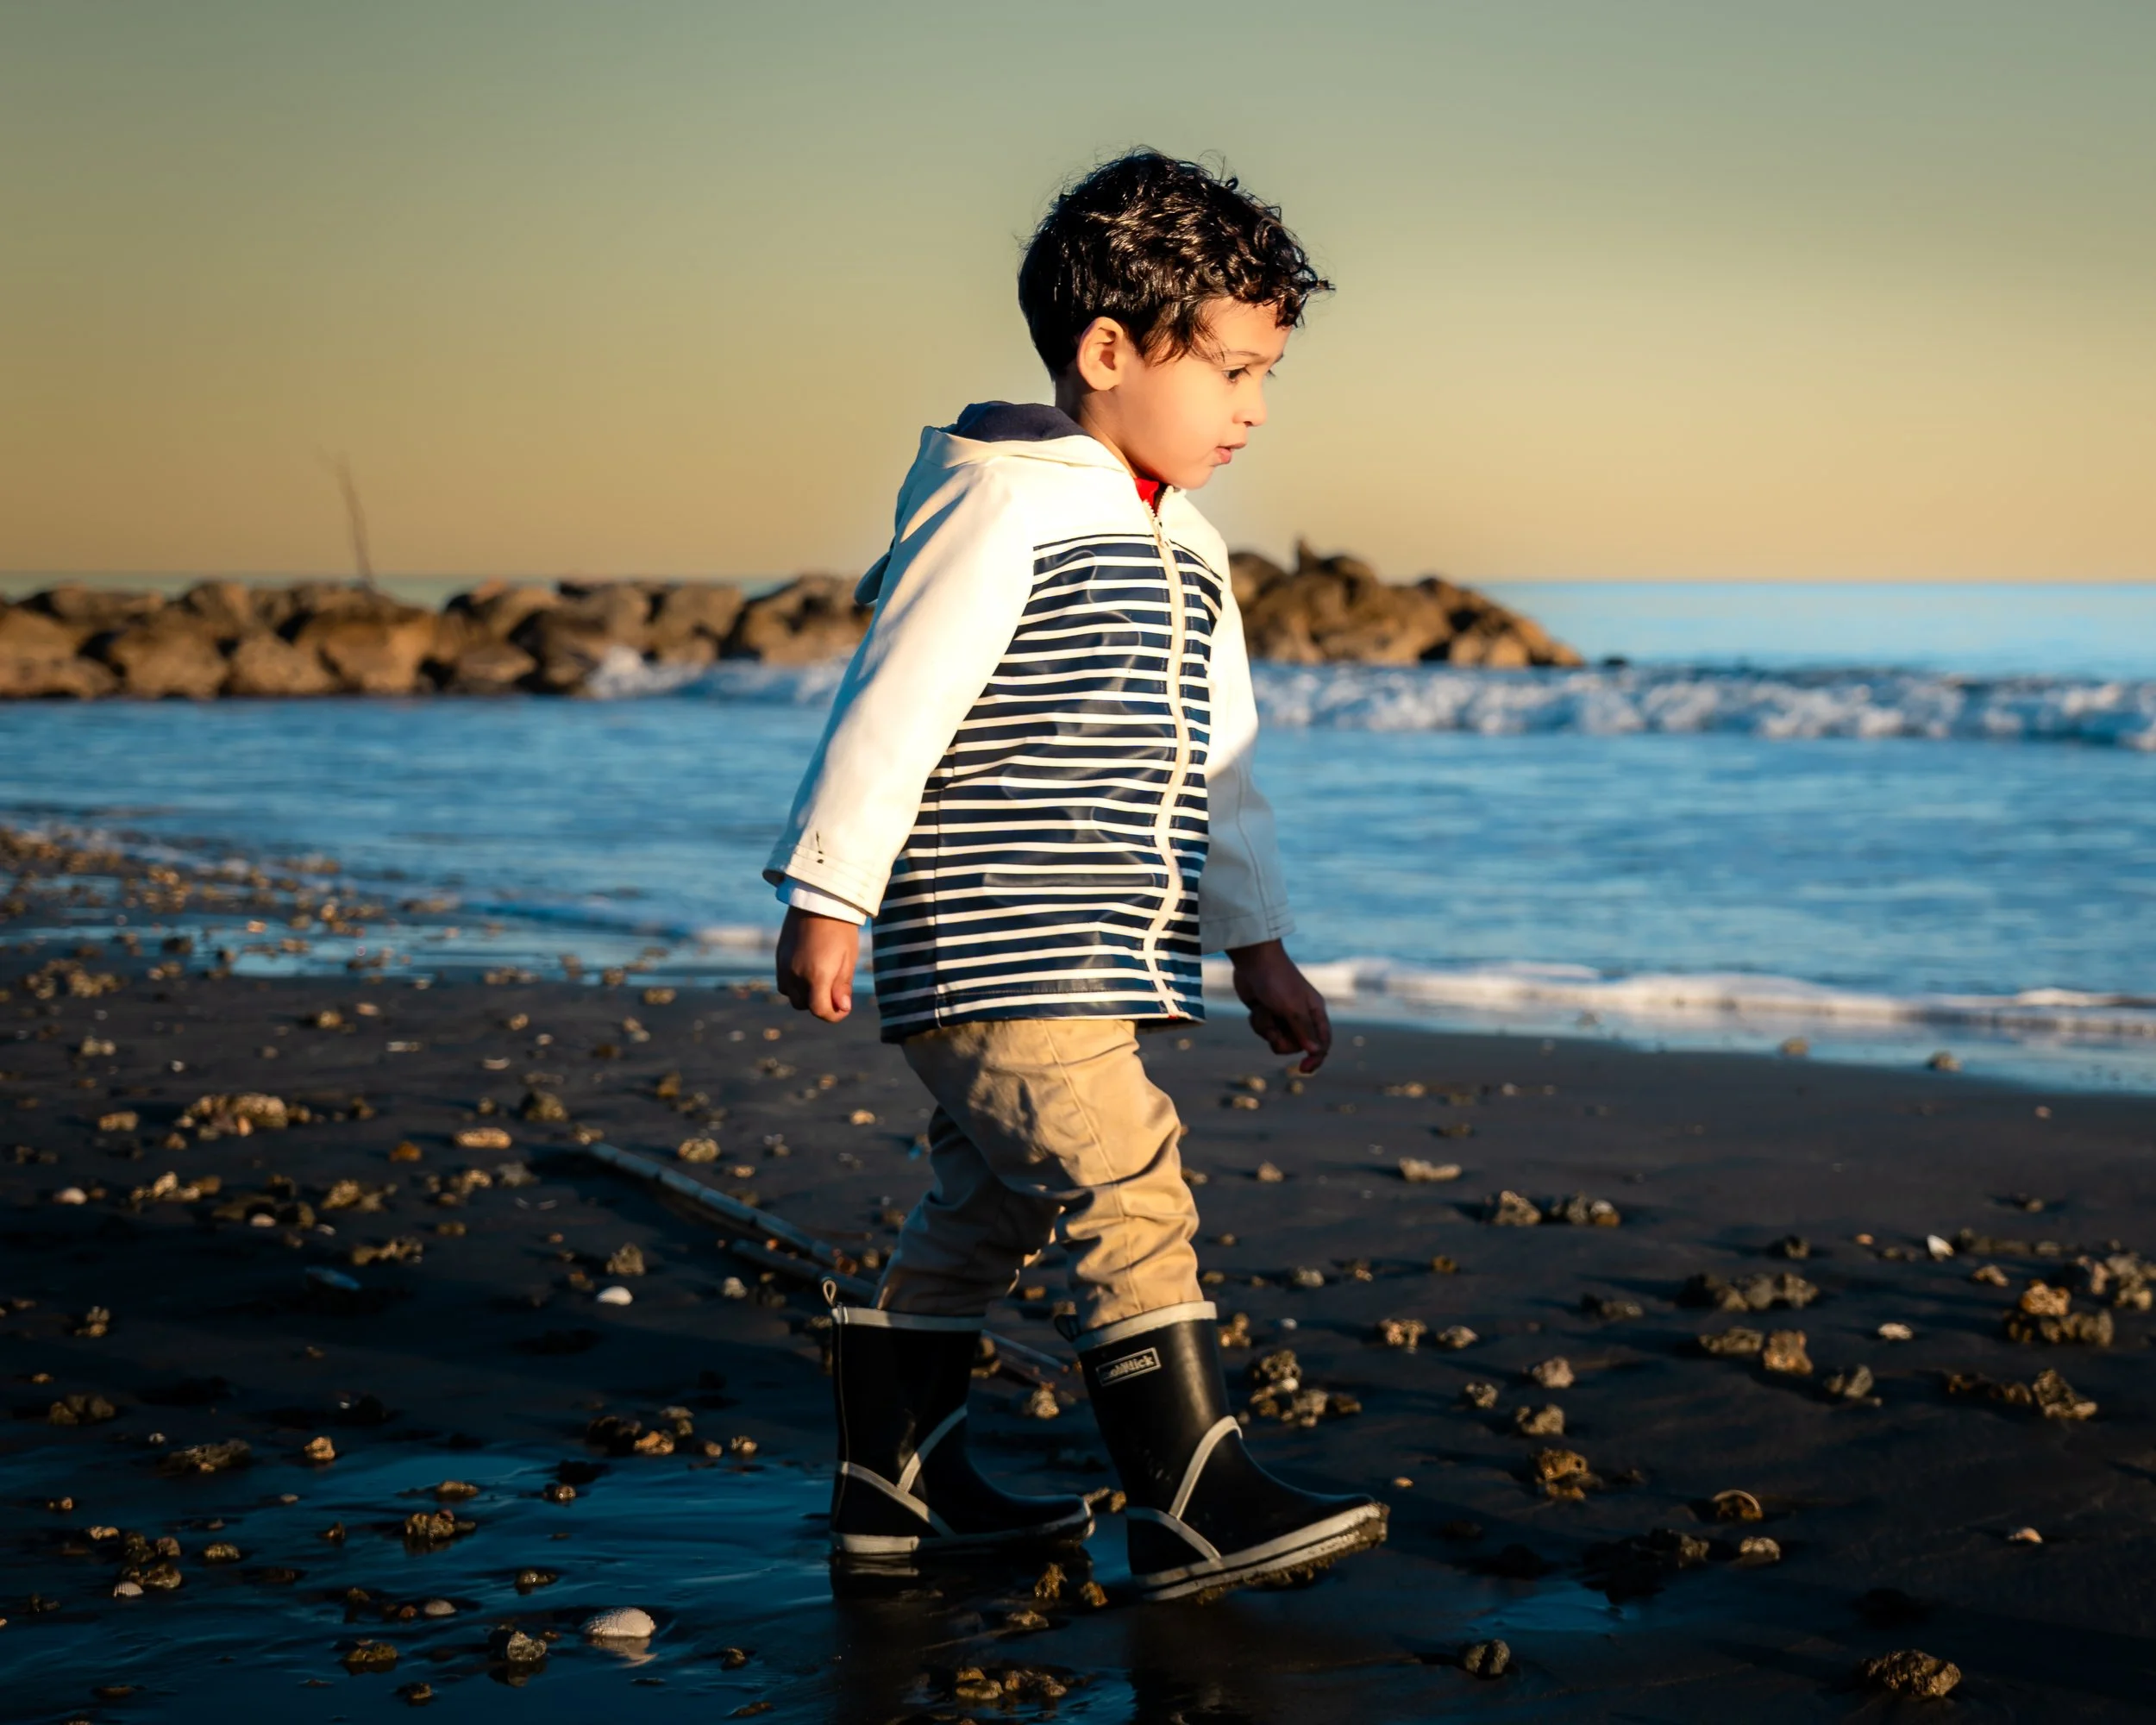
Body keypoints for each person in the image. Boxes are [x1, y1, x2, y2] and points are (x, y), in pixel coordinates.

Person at [764, 149, 1384, 1601]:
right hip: (993, 935)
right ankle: (1189, 1497)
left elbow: (1222, 767)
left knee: (990, 1207)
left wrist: (1258, 946)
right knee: (1126, 1175)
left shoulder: (1194, 546)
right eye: (1232, 368)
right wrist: (831, 889)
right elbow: (898, 693)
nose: (1256, 406)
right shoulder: (1003, 502)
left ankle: (899, 1487)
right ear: (1109, 351)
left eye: (1268, 374)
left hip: (1093, 951)